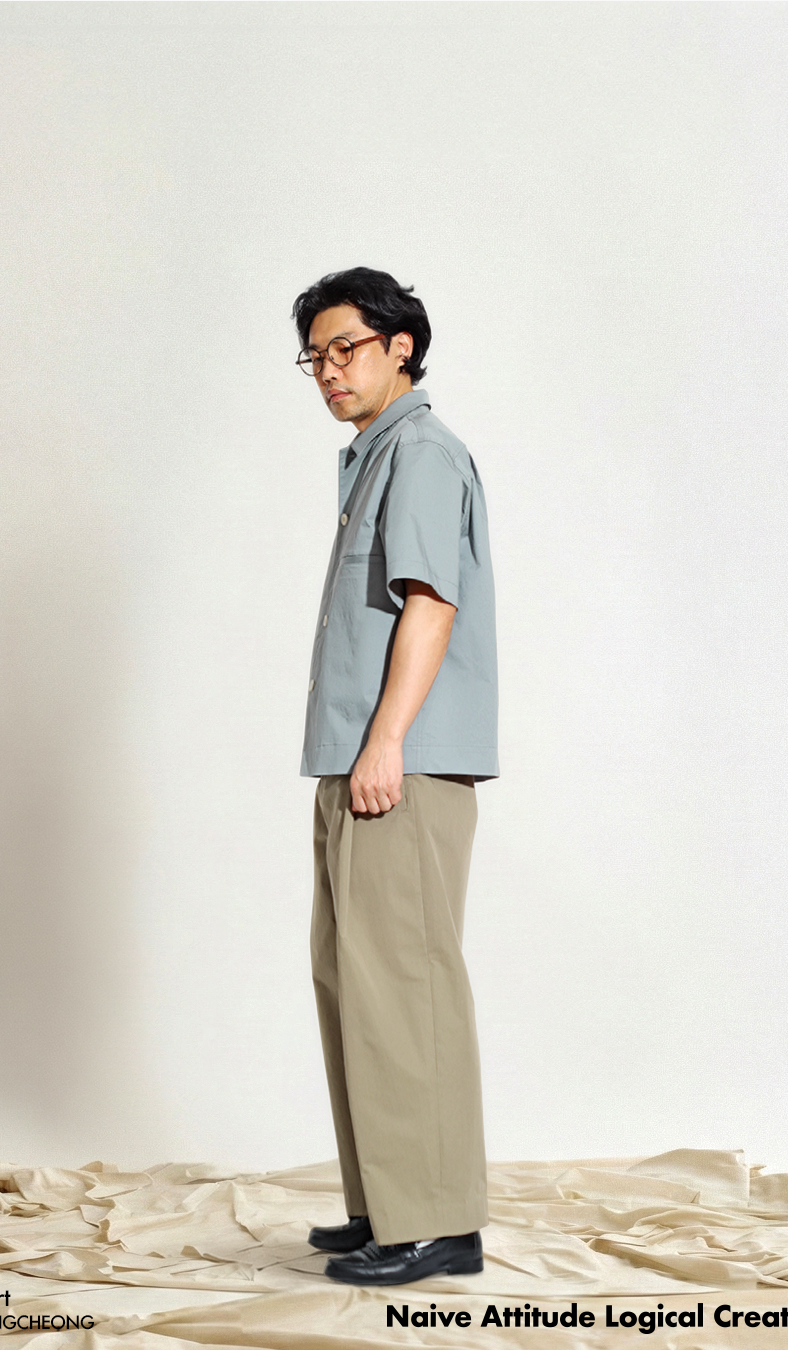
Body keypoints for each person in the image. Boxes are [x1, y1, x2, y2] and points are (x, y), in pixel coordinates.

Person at [292, 267, 499, 1286]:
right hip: (356, 758)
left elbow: (430, 602)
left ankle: (438, 1224)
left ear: (399, 346)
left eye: (347, 348)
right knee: (353, 984)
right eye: (315, 357)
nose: (330, 370)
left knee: (405, 984)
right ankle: (386, 1202)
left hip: (395, 763)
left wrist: (386, 743)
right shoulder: (372, 457)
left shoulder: (419, 452)